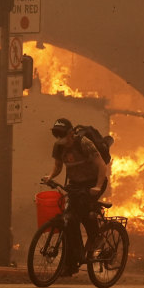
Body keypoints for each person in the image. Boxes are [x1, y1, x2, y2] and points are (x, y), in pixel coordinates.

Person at [42, 118, 109, 276]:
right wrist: (50, 176)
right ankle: (72, 262)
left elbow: (101, 166)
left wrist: (97, 187)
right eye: (56, 134)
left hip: (93, 182)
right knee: (70, 220)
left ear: (71, 133)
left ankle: (96, 238)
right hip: (75, 184)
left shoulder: (83, 143)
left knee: (82, 211)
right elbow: (58, 166)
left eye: (61, 134)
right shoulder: (59, 147)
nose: (59, 138)